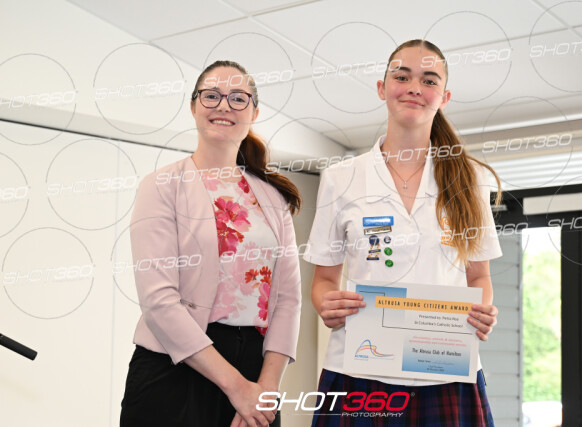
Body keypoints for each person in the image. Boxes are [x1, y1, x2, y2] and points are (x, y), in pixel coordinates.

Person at [303, 40, 503, 426]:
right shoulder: (341, 178)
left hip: (446, 371)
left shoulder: (470, 179)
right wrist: (327, 304)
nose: (414, 87)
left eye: (429, 80)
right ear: (382, 88)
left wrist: (481, 313)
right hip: (358, 371)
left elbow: (479, 276)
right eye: (402, 77)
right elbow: (324, 279)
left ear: (444, 97)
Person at [120, 60, 302, 427]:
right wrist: (236, 387)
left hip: (255, 372)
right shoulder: (161, 186)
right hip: (174, 367)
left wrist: (265, 390)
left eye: (238, 98)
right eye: (211, 96)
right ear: (193, 106)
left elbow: (288, 300)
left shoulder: (273, 198)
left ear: (254, 112)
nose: (224, 106)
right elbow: (159, 300)